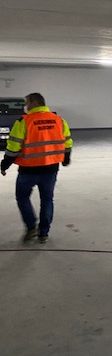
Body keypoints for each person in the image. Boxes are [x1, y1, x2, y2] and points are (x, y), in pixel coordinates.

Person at [0, 93, 72, 243]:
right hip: (51, 169)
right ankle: (43, 233)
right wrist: (66, 159)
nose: (26, 107)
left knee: (22, 198)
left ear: (33, 103)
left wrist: (4, 165)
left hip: (28, 170)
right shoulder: (59, 120)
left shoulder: (24, 121)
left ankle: (31, 227)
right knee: (47, 199)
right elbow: (67, 142)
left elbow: (13, 147)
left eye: (27, 103)